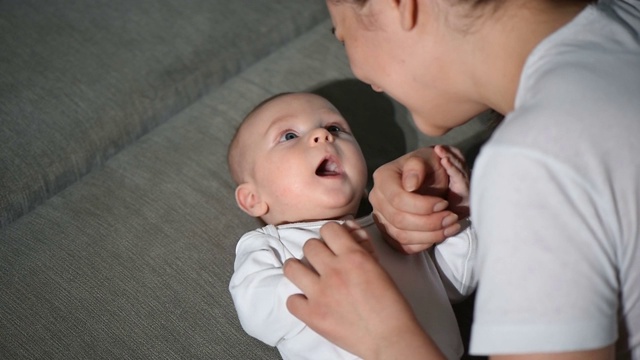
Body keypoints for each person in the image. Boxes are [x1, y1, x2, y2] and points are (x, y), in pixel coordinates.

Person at [282, 0, 640, 359]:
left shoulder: (534, 163)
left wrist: (387, 340)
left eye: (343, 37)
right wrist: (462, 169)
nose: (363, 76)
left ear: (398, 5)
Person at [227, 92, 477, 360]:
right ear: (253, 199)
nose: (323, 135)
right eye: (289, 136)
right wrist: (314, 278)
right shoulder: (270, 246)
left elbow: (454, 286)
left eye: (334, 127)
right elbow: (257, 316)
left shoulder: (390, 226)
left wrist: (457, 215)